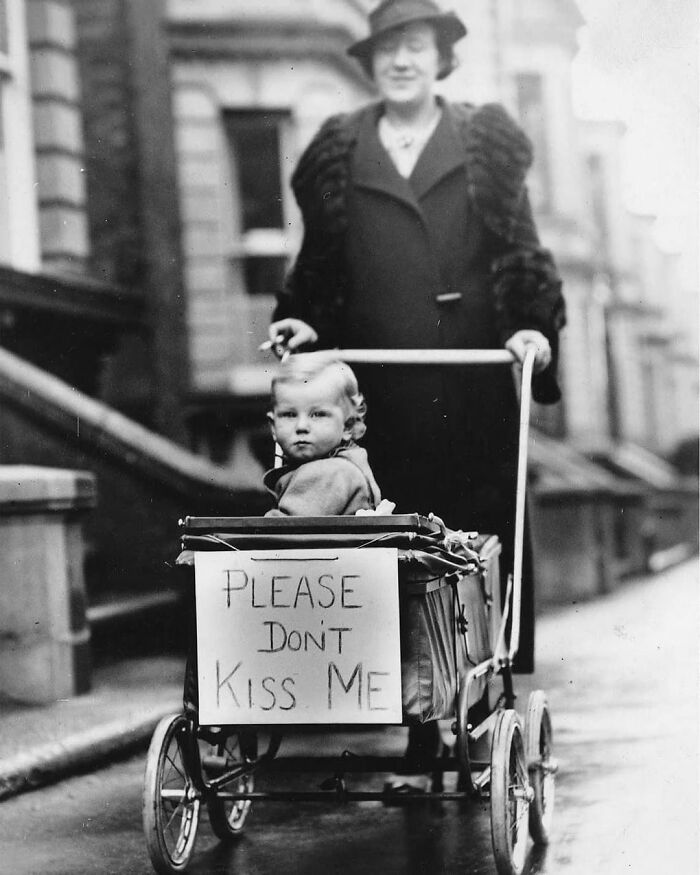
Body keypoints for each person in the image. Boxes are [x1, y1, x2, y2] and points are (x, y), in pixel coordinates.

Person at [268, 0, 566, 783]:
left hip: (471, 383)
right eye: (388, 49)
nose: (402, 61)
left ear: (441, 59)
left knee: (474, 543)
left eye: (417, 47)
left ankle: (479, 702)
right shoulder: (338, 151)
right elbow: (320, 261)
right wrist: (302, 318)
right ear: (370, 62)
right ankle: (421, 715)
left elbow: (522, 249)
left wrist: (531, 327)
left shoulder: (485, 141)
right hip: (382, 392)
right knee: (392, 546)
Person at [264, 354, 382, 516]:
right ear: (273, 426)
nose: (301, 426)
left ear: (348, 426)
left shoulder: (330, 473)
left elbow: (287, 528)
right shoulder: (338, 466)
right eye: (289, 415)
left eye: (318, 414)